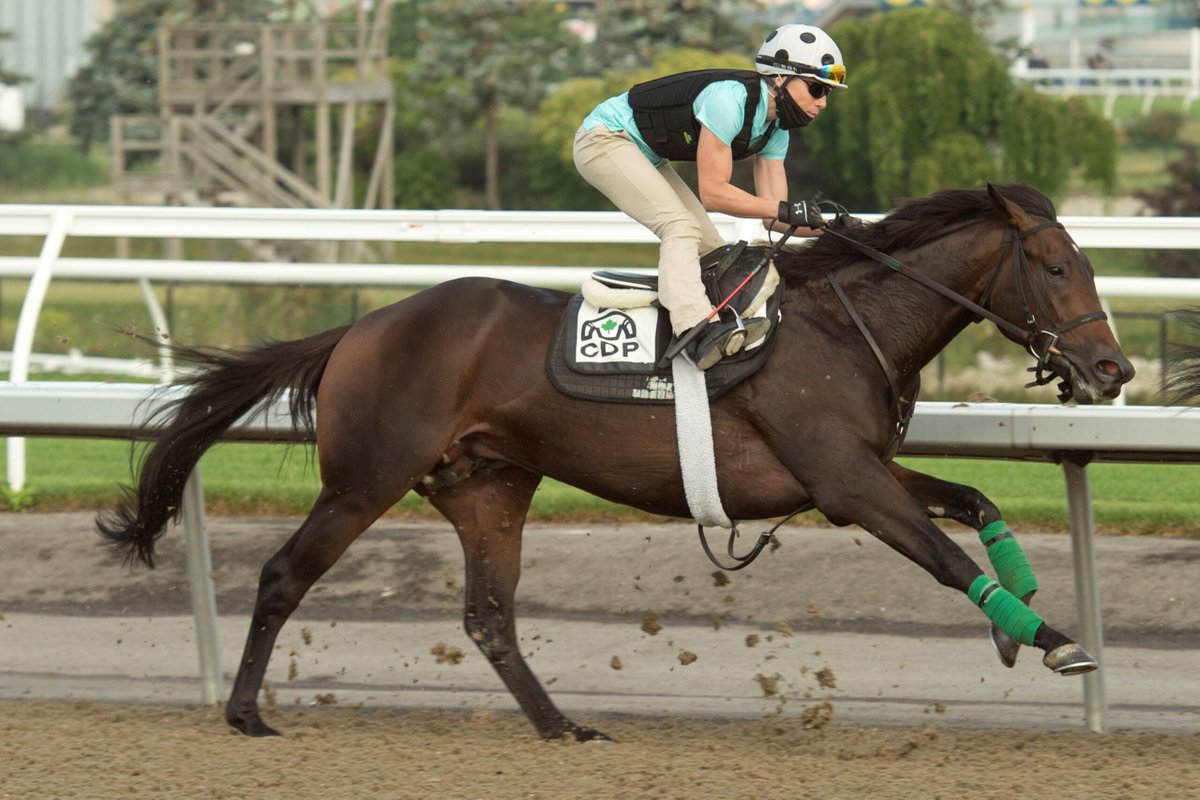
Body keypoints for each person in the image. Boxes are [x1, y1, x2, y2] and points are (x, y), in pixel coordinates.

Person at [573, 24, 847, 369]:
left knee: (713, 247)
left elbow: (774, 219)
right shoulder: (728, 100)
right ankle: (695, 329)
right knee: (681, 228)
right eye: (817, 88)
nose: (822, 103)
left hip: (644, 153)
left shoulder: (777, 131)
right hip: (603, 139)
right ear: (780, 78)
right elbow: (714, 194)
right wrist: (789, 209)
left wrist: (833, 227)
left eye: (828, 94)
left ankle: (722, 322)